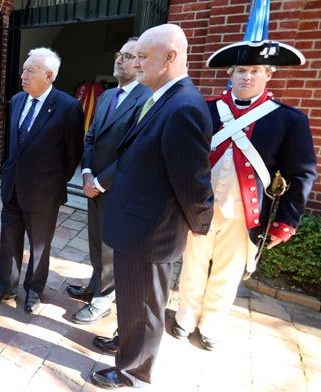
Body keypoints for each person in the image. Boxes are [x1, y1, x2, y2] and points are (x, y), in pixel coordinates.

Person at [90, 24, 214, 389]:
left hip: (151, 233)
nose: (137, 64)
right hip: (135, 226)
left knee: (145, 307)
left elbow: (193, 181)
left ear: (170, 57)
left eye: (143, 57)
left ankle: (132, 372)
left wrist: (200, 224)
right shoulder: (160, 97)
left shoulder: (184, 108)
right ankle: (127, 345)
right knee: (132, 300)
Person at [171, 40, 317, 350]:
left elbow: (302, 173)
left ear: (268, 74)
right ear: (231, 74)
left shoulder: (288, 119)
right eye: (240, 70)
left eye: (254, 70)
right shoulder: (205, 109)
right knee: (193, 265)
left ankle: (210, 322)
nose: (246, 77)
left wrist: (285, 222)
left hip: (246, 213)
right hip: (200, 206)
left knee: (228, 271)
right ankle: (185, 316)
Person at [0, 48, 84, 314]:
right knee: (9, 241)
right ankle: (6, 287)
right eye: (24, 69)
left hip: (44, 194)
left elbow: (73, 154)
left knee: (39, 246)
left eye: (30, 71)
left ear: (48, 76)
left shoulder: (68, 107)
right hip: (13, 187)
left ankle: (34, 290)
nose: (22, 75)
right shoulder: (17, 100)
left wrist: (51, 183)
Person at [66, 37, 151, 325]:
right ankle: (94, 286)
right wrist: (87, 173)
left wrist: (102, 181)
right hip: (94, 186)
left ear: (141, 63)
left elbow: (135, 150)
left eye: (127, 56)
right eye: (119, 54)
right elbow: (90, 138)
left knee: (110, 246)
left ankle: (103, 299)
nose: (119, 60)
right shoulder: (106, 96)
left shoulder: (146, 99)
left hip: (118, 188)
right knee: (95, 242)